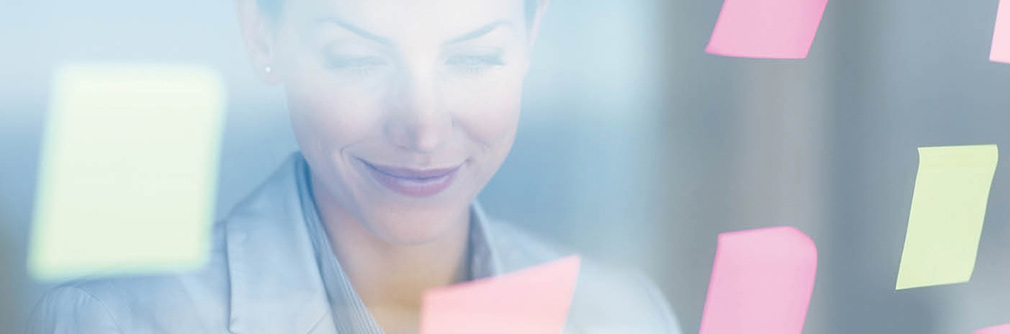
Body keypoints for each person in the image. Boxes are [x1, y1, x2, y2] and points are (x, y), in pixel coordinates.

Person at [28, 0, 680, 332]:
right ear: (262, 36)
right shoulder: (126, 325)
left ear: (531, 38)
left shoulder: (617, 318)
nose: (422, 127)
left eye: (475, 58)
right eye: (357, 59)